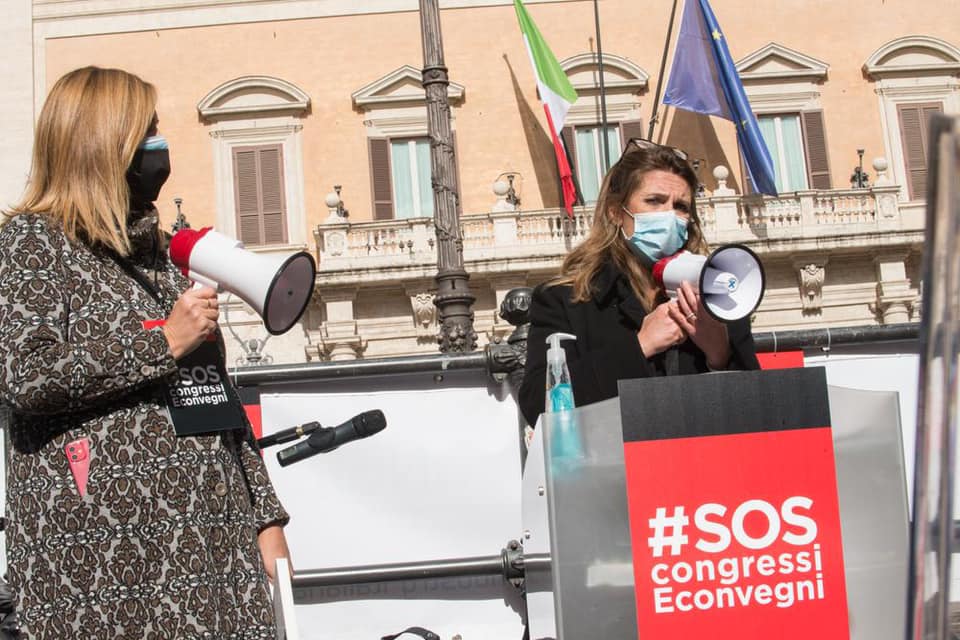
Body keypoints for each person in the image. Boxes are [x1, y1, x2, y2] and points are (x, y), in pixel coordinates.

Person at [0, 66, 291, 638]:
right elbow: (26, 376)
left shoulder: (161, 256)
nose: (159, 147)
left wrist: (266, 517)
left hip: (211, 540)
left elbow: (213, 394)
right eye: (147, 131)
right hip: (103, 559)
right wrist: (162, 342)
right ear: (102, 142)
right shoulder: (33, 241)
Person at [518, 139, 759, 427]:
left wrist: (720, 356)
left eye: (681, 206)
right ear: (615, 212)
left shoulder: (716, 291)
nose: (669, 215)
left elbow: (758, 410)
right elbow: (537, 404)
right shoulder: (566, 299)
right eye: (654, 201)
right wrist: (639, 346)